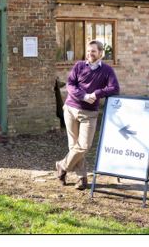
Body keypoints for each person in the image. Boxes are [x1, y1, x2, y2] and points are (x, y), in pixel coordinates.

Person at [55, 40, 120, 190]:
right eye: (89, 51)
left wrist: (97, 93)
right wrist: (84, 96)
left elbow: (114, 88)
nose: (90, 54)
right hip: (71, 109)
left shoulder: (107, 71)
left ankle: (62, 166)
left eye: (93, 51)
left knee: (84, 146)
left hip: (89, 113)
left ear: (101, 53)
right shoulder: (79, 66)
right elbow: (70, 84)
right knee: (73, 145)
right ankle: (81, 178)